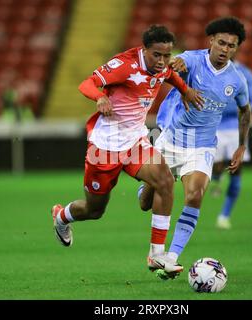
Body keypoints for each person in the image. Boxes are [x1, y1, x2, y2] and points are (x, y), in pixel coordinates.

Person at [50, 25, 204, 276]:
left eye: (167, 56)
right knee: (94, 210)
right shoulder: (124, 65)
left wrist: (184, 90)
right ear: (145, 50)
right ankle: (62, 216)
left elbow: (168, 75)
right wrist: (99, 98)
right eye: (157, 55)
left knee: (165, 180)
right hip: (105, 147)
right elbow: (86, 83)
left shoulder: (162, 64)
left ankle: (157, 255)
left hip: (135, 142)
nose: (163, 61)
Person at [138, 17, 251, 278]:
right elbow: (178, 62)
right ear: (211, 40)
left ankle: (169, 257)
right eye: (221, 42)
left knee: (195, 195)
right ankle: (146, 188)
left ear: (236, 49)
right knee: (145, 203)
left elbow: (245, 112)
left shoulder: (236, 79)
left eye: (231, 46)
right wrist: (176, 63)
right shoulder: (193, 59)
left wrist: (241, 146)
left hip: (201, 146)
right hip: (171, 139)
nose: (225, 49)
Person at [211, 57, 252, 230]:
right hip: (212, 125)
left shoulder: (244, 73)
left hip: (235, 127)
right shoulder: (208, 70)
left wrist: (238, 106)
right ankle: (216, 178)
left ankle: (224, 215)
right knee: (215, 167)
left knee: (236, 170)